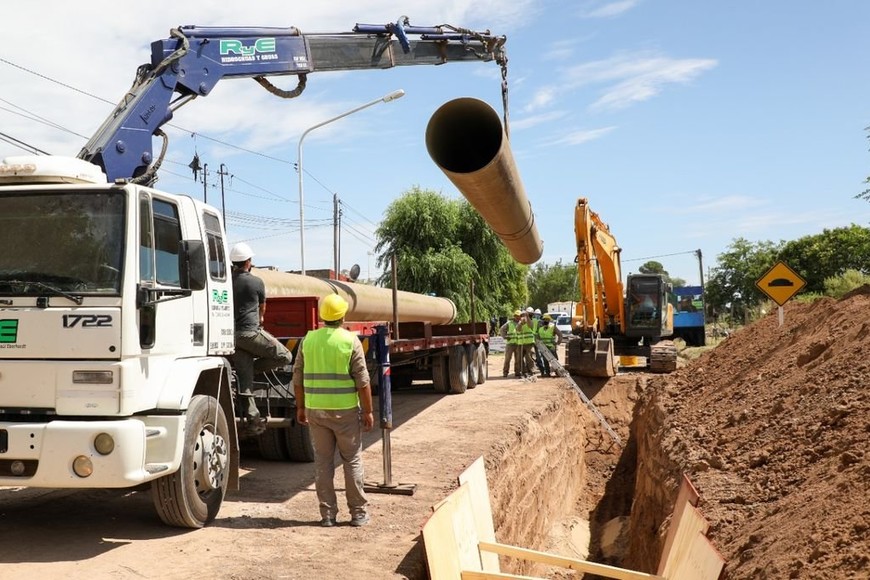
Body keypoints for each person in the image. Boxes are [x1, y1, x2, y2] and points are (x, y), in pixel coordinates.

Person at [293, 293, 374, 528]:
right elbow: (363, 381)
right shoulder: (350, 341)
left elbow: (297, 378)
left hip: (316, 411)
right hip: (345, 412)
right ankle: (358, 514)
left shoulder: (308, 340)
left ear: (322, 316)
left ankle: (327, 515)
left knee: (323, 462)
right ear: (343, 315)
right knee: (352, 460)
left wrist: (300, 407)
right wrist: (368, 411)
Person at [231, 242, 293, 434]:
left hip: (232, 337)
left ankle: (254, 419)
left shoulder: (226, 282)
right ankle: (253, 370)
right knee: (285, 357)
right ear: (248, 262)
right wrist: (261, 319)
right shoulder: (256, 282)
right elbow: (262, 309)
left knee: (245, 381)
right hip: (250, 333)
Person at [499, 310, 523, 377]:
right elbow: (501, 329)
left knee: (518, 359)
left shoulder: (522, 323)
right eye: (516, 316)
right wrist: (505, 336)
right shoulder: (509, 323)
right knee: (507, 359)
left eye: (519, 316)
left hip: (518, 343)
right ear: (514, 316)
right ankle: (505, 372)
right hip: (510, 344)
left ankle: (517, 372)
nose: (518, 317)